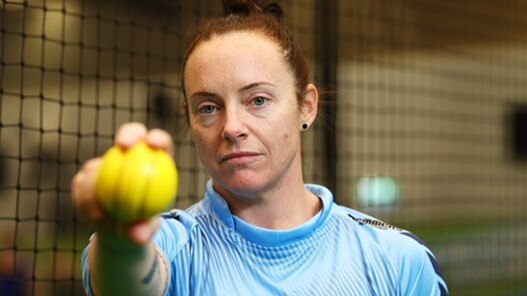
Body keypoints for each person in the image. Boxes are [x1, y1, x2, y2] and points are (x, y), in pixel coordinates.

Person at [72, 0, 449, 295]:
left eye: (257, 100)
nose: (232, 127)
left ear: (307, 106)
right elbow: (128, 282)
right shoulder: (171, 245)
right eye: (208, 107)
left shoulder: (396, 258)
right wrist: (121, 238)